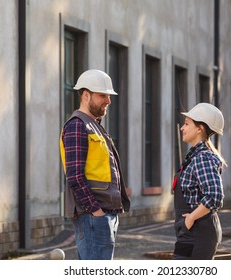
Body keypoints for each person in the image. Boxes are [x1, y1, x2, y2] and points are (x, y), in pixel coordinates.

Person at [60, 69, 130, 260]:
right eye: (103, 95)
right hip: (93, 216)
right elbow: (74, 176)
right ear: (85, 95)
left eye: (109, 96)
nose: (108, 101)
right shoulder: (77, 125)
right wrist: (96, 211)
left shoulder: (94, 126)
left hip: (103, 215)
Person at [172, 103, 226, 260]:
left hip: (198, 234)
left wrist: (190, 218)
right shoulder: (194, 157)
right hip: (189, 234)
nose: (182, 128)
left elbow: (215, 196)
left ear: (199, 129)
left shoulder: (202, 158)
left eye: (187, 124)